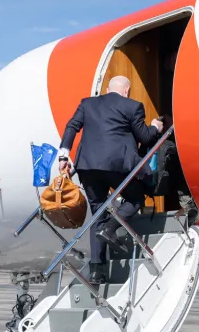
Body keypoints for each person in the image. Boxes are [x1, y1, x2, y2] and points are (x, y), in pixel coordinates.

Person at [58, 75, 164, 284]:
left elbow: (72, 126)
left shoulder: (87, 103)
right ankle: (111, 228)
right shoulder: (132, 106)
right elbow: (145, 137)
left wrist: (64, 155)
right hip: (117, 165)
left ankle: (97, 272)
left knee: (98, 212)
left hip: (86, 165)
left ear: (107, 89)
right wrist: (155, 128)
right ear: (127, 90)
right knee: (135, 199)